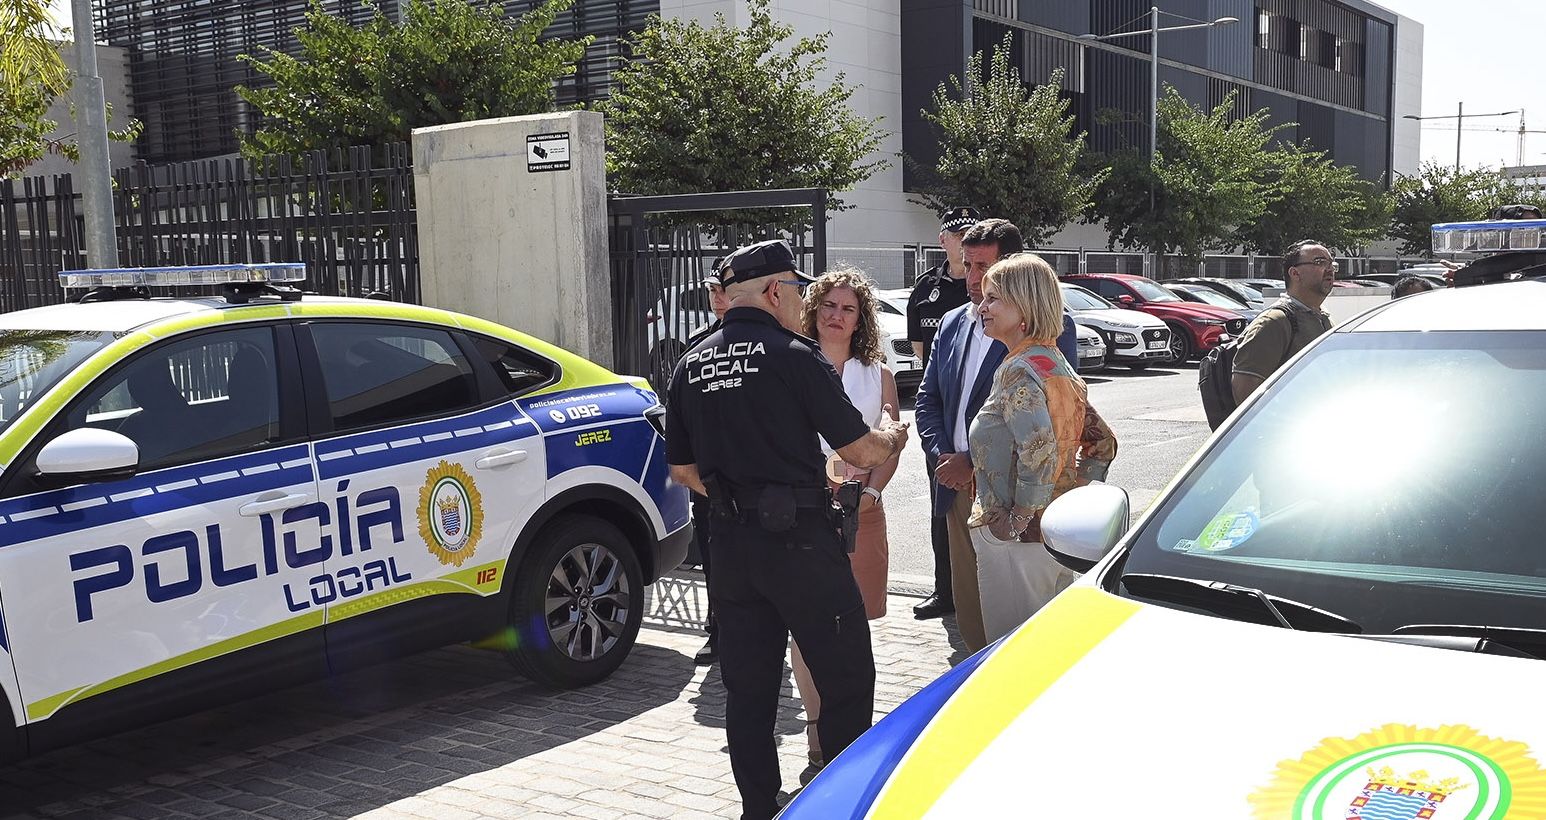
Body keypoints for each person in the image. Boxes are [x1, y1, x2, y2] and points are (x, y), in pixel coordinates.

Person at [664, 239, 910, 820]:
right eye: (797, 289)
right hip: (801, 544)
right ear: (775, 291)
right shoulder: (795, 356)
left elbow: (682, 470)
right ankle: (841, 805)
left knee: (748, 690)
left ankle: (756, 807)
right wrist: (894, 434)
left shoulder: (690, 363)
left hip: (730, 547)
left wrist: (738, 497)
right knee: (847, 678)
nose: (803, 299)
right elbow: (859, 446)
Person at [968, 253, 1118, 643]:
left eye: (993, 298)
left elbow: (1038, 450)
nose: (981, 307)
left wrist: (1018, 518)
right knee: (1048, 647)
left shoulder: (1019, 368)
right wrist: (1071, 494)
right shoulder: (1055, 363)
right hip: (1054, 536)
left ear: (1025, 307)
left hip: (1017, 538)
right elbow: (1102, 443)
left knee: (1010, 651)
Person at [790, 266, 900, 765]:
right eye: (829, 305)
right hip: (802, 509)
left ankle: (852, 731)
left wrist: (872, 492)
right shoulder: (790, 364)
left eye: (848, 308)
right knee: (805, 623)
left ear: (862, 320)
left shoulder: (877, 374)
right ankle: (816, 732)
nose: (837, 315)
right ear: (814, 309)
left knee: (853, 626)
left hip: (860, 509)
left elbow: (892, 438)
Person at [915, 218, 1016, 653]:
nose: (972, 279)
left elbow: (1041, 422)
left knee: (1011, 610)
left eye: (983, 267)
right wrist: (943, 457)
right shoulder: (952, 323)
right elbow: (927, 398)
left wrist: (971, 463)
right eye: (967, 264)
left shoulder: (1045, 327)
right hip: (954, 486)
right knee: (971, 613)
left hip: (1010, 493)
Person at [905, 206, 977, 620]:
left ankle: (975, 593)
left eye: (969, 231)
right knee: (942, 512)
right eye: (956, 233)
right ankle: (944, 589)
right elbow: (920, 345)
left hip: (979, 433)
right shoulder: (927, 286)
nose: (962, 238)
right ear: (943, 239)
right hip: (943, 422)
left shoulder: (986, 292)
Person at [683, 262, 731, 666]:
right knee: (714, 559)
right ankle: (717, 631)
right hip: (709, 474)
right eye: (711, 290)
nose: (717, 298)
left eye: (723, 289)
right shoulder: (698, 344)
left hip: (754, 472)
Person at [1230, 240, 1336, 405]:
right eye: (1320, 262)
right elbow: (1244, 388)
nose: (1329, 269)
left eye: (1331, 263)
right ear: (1295, 273)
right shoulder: (1274, 321)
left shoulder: (1325, 319)